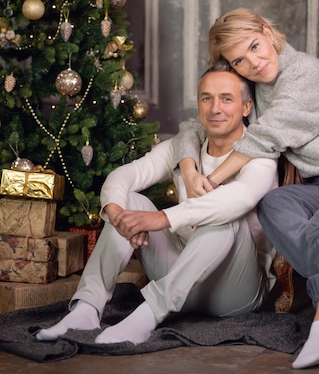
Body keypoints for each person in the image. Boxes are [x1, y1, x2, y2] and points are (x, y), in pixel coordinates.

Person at [173, 8, 319, 370]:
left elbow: (267, 136)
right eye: (239, 60)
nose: (253, 62)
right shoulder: (252, 87)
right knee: (274, 204)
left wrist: (214, 179)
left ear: (268, 32)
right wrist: (190, 170)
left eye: (255, 46)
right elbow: (194, 124)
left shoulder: (303, 71)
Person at [36, 62, 278, 345]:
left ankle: (147, 316)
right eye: (206, 98)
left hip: (234, 293)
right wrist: (117, 213)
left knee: (224, 217)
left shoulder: (260, 156)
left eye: (227, 99)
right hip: (178, 276)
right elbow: (125, 175)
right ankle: (87, 309)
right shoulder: (185, 148)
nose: (215, 109)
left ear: (246, 107)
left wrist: (161, 219)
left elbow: (241, 198)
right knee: (129, 200)